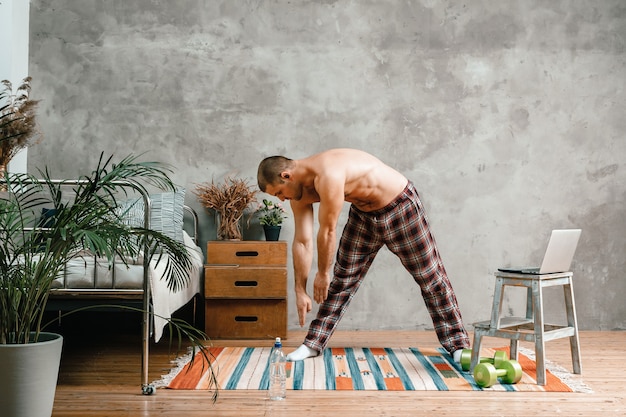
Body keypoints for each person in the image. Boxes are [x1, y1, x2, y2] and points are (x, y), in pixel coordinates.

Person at [257, 148, 470, 363]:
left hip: (399, 207)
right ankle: (312, 344)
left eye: (278, 193)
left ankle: (458, 344)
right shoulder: (298, 195)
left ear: (286, 176)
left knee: (431, 278)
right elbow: (302, 242)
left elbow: (328, 230)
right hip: (363, 214)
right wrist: (300, 290)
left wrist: (322, 272)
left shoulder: (329, 174)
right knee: (342, 281)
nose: (282, 200)